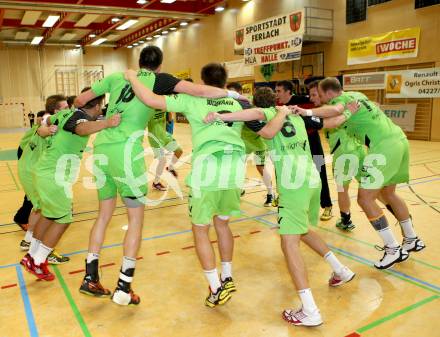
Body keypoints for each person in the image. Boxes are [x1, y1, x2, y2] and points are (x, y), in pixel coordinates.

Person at [75, 47, 246, 306]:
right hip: (126, 150)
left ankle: (90, 276)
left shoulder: (114, 77)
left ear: (139, 61)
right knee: (135, 219)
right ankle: (123, 286)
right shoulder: (159, 79)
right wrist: (231, 93)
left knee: (103, 216)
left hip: (101, 149)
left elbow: (79, 101)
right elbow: (199, 91)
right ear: (159, 64)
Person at [204, 87, 355, 327]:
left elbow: (251, 116)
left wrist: (222, 116)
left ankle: (310, 310)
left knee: (289, 243)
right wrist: (348, 113)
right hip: (312, 179)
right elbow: (328, 122)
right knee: (303, 229)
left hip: (294, 184)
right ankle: (341, 270)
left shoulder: (270, 114)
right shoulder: (297, 113)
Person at [125, 62, 248, 308]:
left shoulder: (193, 100)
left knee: (200, 228)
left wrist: (132, 77)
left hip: (208, 171)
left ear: (201, 82)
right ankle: (227, 275)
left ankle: (215, 288)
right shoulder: (237, 102)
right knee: (223, 224)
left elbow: (150, 100)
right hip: (235, 169)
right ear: (225, 82)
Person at [293, 77, 425, 269]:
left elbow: (336, 112)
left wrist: (305, 111)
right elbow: (335, 119)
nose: (319, 98)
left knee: (365, 199)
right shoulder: (356, 95)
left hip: (383, 147)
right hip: (399, 140)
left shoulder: (338, 102)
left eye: (320, 95)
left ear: (330, 93)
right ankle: (411, 238)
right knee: (388, 194)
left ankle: (392, 248)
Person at [20, 89, 120, 281]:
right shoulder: (77, 118)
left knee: (48, 215)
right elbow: (80, 128)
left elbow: (47, 120)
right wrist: (107, 123)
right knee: (64, 219)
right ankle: (38, 261)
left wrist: (45, 126)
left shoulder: (65, 113)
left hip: (44, 172)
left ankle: (31, 256)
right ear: (97, 105)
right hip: (54, 177)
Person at [307, 80, 365, 231]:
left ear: (325, 94)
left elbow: (334, 115)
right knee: (370, 188)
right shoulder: (345, 99)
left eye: (316, 95)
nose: (312, 98)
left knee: (342, 189)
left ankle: (346, 220)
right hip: (359, 149)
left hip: (343, 152)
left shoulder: (330, 109)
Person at [275, 80, 333, 220]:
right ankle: (288, 201)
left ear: (288, 92)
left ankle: (327, 205)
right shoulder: (277, 106)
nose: (276, 94)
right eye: (275, 91)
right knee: (289, 172)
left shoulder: (305, 100)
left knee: (320, 170)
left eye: (279, 91)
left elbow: (324, 106)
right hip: (295, 145)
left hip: (313, 141)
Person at [13, 96, 69, 234]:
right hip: (31, 169)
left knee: (38, 206)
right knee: (46, 207)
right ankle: (39, 244)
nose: (69, 110)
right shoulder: (48, 121)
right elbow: (41, 130)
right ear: (56, 110)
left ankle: (29, 240)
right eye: (66, 108)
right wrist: (49, 130)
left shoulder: (55, 121)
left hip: (32, 166)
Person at [227, 82, 274, 206]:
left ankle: (270, 193)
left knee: (260, 167)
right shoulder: (232, 104)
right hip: (244, 142)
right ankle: (240, 189)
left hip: (259, 141)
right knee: (238, 166)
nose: (230, 96)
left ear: (240, 93)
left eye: (233, 93)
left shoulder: (250, 104)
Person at [148, 108, 183, 191]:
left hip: (164, 136)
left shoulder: (164, 105)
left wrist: (169, 111)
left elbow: (169, 120)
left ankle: (170, 168)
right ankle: (156, 183)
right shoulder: (149, 108)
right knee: (162, 160)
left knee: (179, 151)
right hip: (154, 139)